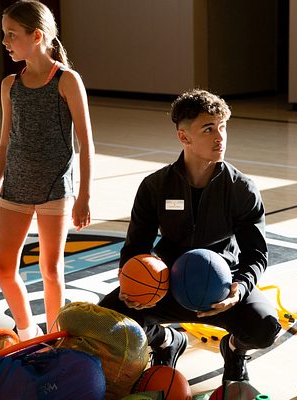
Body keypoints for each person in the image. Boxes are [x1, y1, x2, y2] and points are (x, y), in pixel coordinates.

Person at [99, 89, 281, 382]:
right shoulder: (155, 186)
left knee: (265, 327)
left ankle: (234, 350)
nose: (219, 137)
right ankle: (167, 341)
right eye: (208, 129)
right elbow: (136, 247)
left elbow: (256, 254)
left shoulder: (241, 188)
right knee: (109, 317)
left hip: (222, 289)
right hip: (167, 283)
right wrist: (130, 284)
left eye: (222, 127)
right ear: (184, 137)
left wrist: (240, 288)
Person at [0, 0, 94, 341]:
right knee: (2, 269)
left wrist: (84, 195)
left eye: (11, 34)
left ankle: (55, 339)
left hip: (54, 191)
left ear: (37, 36)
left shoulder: (66, 80)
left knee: (50, 270)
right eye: (4, 34)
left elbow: (86, 144)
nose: (5, 42)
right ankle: (29, 331)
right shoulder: (9, 85)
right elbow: (5, 144)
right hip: (15, 189)